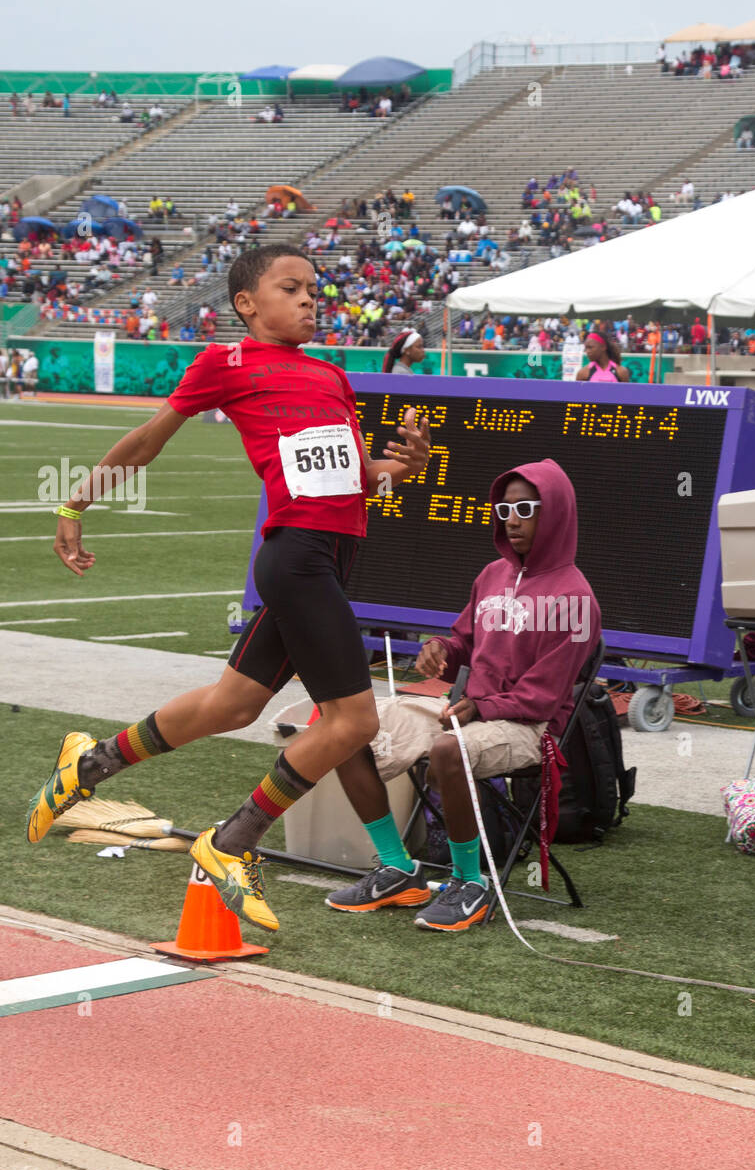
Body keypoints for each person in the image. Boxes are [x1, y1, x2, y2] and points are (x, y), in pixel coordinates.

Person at [27, 244, 431, 935]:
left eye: (314, 289)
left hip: (332, 559)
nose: (309, 299)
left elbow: (359, 480)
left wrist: (404, 467)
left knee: (232, 704)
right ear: (247, 304)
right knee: (355, 722)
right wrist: (74, 503)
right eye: (290, 288)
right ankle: (232, 841)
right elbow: (150, 440)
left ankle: (87, 764)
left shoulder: (333, 376)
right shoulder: (228, 363)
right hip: (296, 556)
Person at [326, 461, 601, 931]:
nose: (511, 519)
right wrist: (440, 651)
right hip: (468, 709)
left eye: (525, 509)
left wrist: (481, 706)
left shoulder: (577, 599)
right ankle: (397, 868)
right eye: (504, 508)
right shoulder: (491, 574)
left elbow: (542, 696)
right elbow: (462, 646)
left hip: (531, 728)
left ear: (554, 513)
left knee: (448, 750)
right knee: (346, 730)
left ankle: (469, 882)